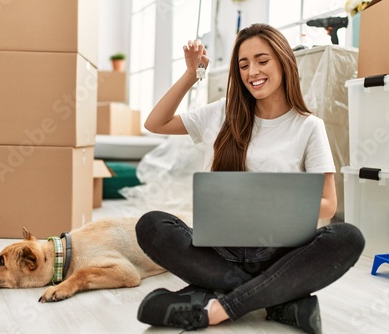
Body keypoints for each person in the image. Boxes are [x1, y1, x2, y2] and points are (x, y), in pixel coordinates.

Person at [135, 23, 365, 334]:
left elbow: (328, 205)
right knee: (151, 225)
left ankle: (219, 306)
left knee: (348, 237)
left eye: (262, 60)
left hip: (277, 252)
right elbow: (155, 123)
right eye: (243, 65)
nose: (252, 71)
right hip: (217, 251)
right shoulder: (221, 113)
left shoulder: (310, 127)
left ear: (283, 60)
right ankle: (279, 300)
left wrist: (274, 203)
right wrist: (192, 74)